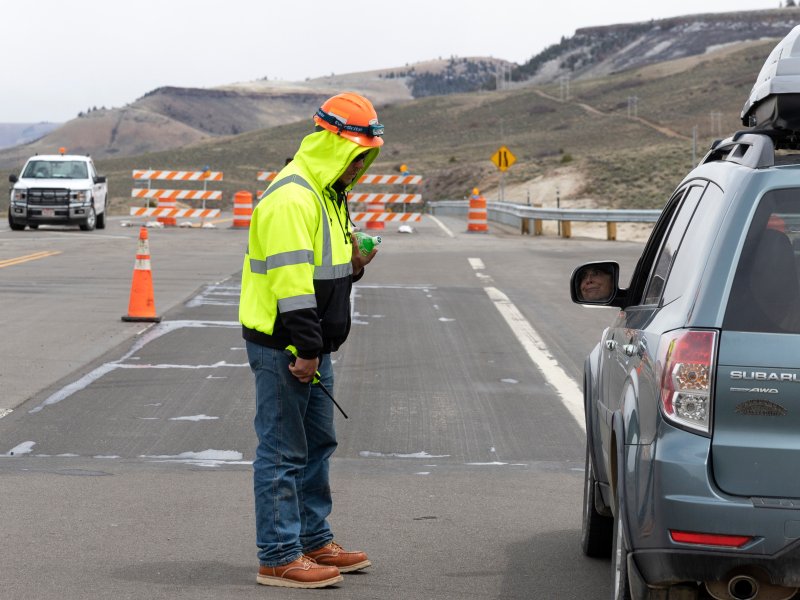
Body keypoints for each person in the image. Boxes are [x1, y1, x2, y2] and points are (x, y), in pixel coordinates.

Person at [239, 92, 382, 589]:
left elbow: (326, 272)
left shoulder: (328, 196)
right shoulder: (293, 196)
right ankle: (278, 554)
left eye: (367, 157)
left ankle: (314, 540)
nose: (360, 166)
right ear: (334, 146)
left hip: (312, 343)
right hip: (287, 345)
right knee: (282, 450)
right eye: (357, 155)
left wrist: (355, 264)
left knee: (318, 443)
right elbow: (291, 281)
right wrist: (306, 348)